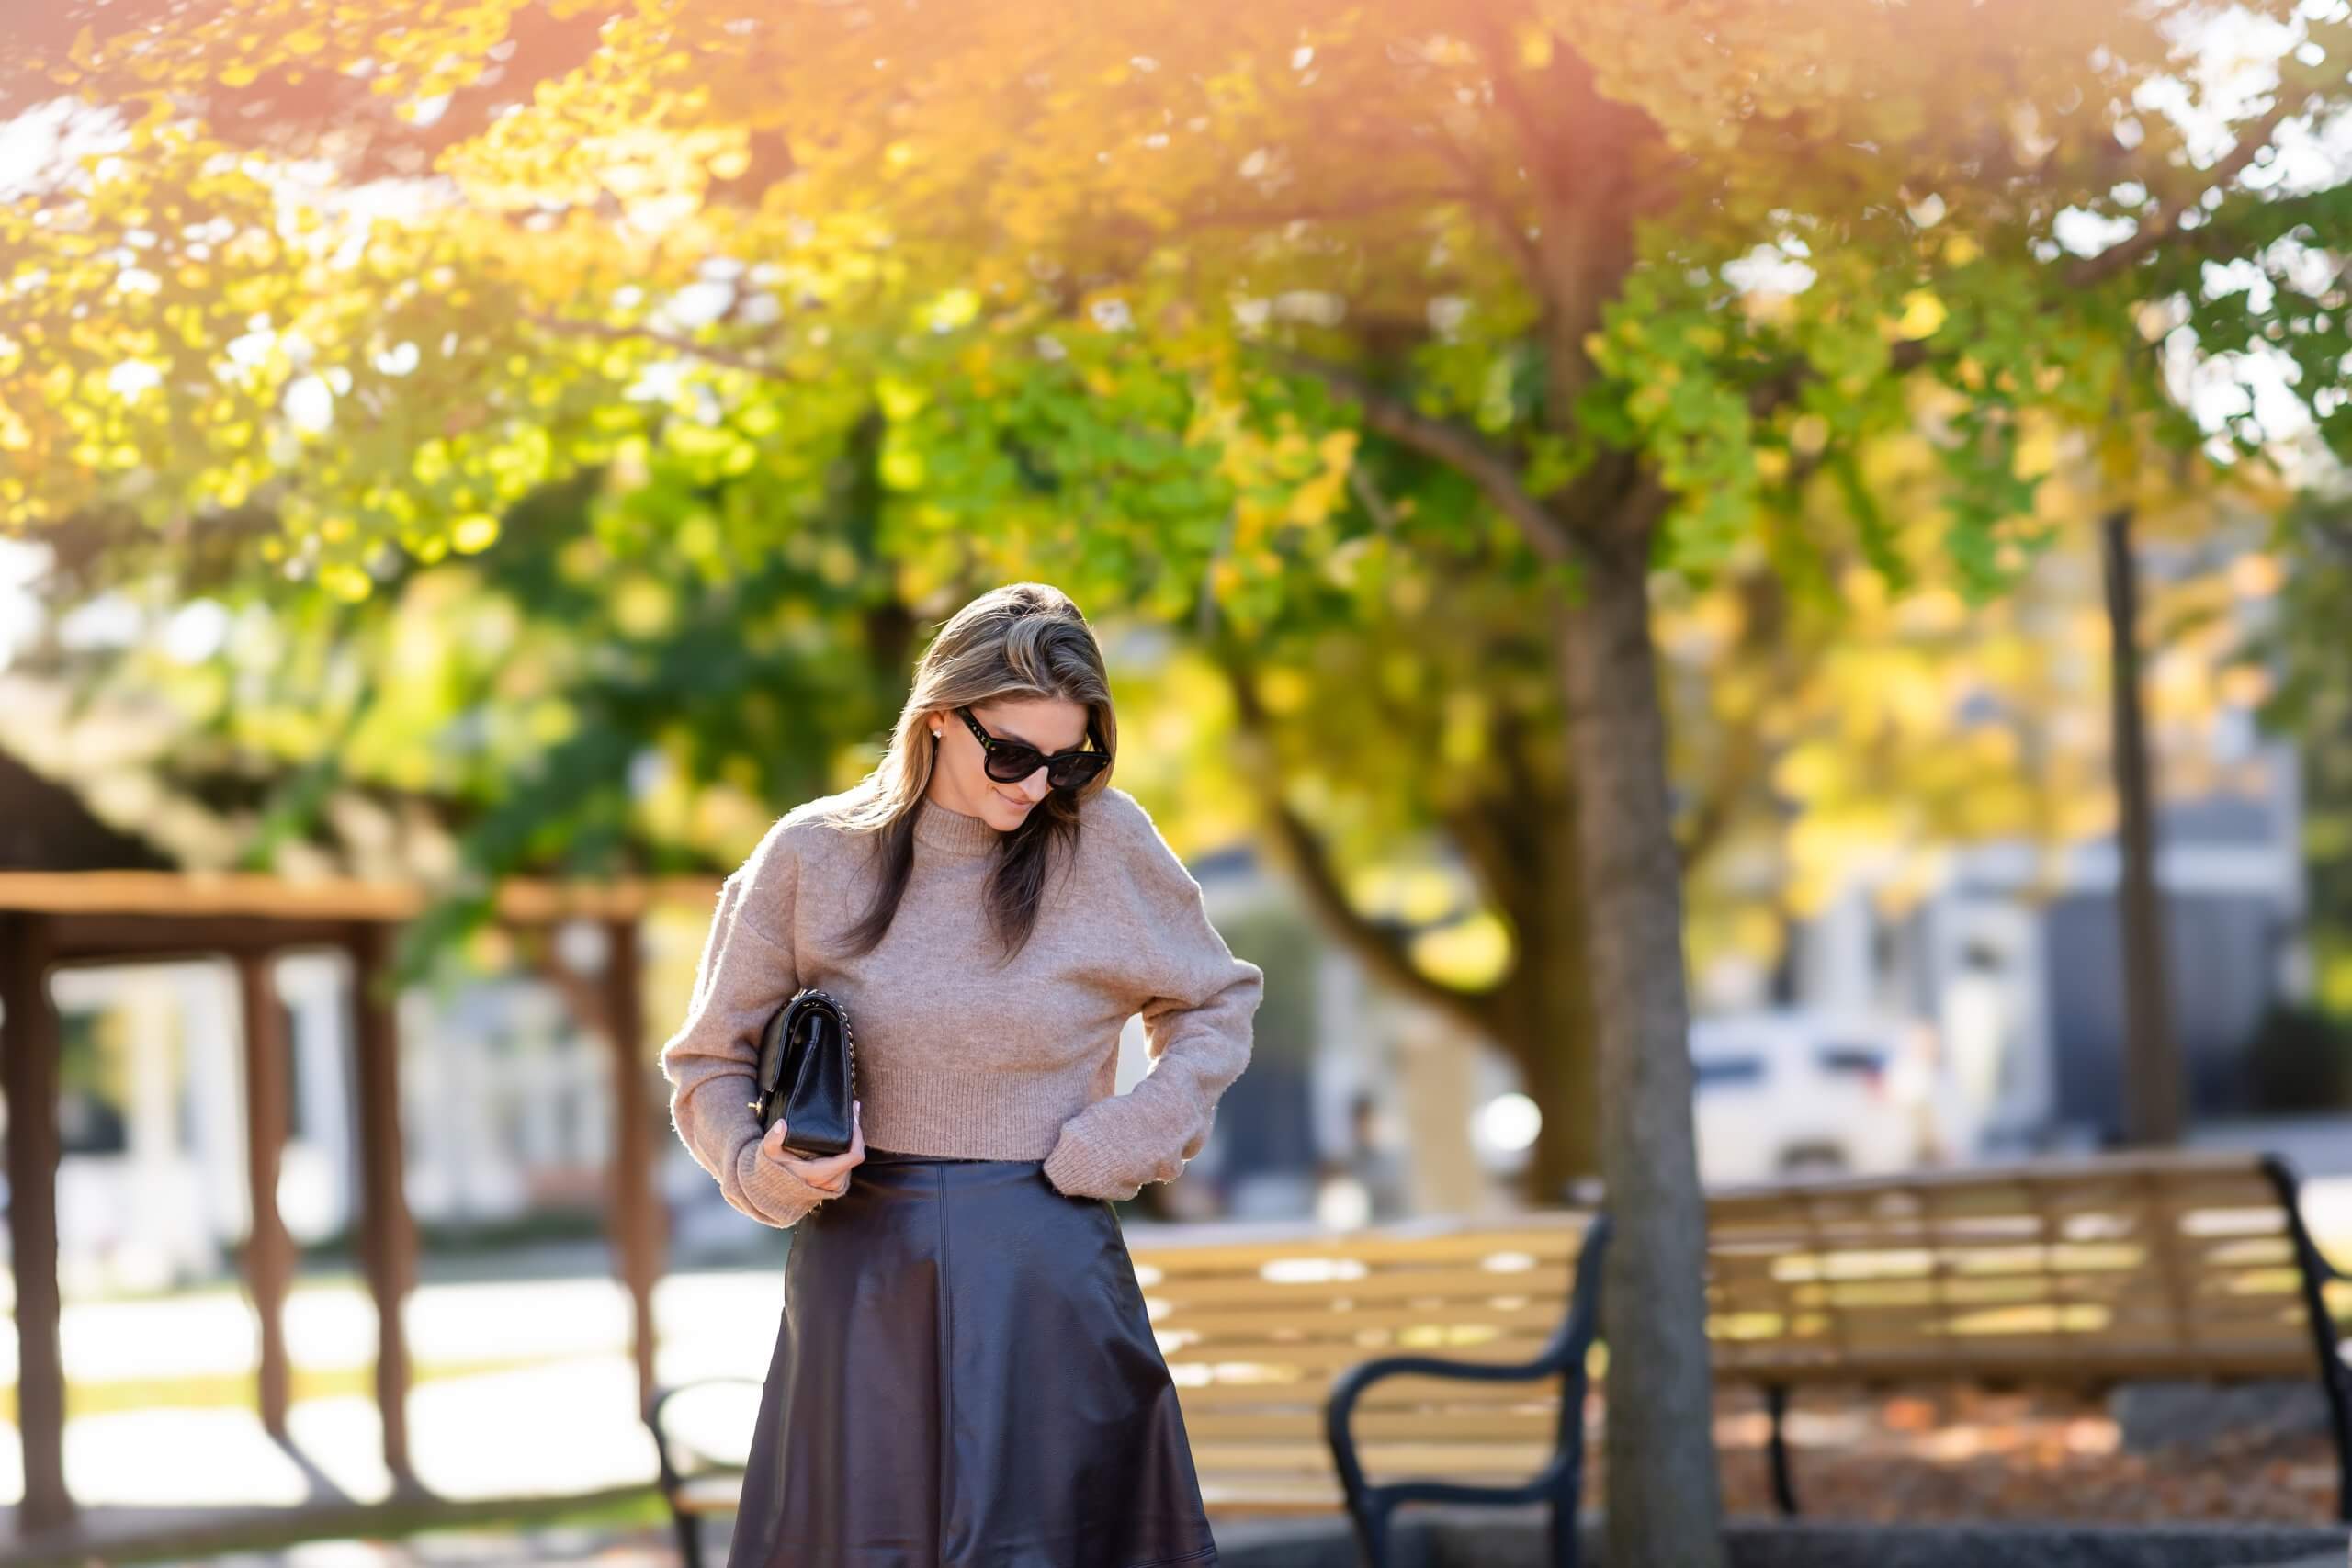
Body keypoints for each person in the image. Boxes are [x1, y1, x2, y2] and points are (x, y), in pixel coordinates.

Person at [659, 581, 1264, 1568]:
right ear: (939, 717)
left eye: (1070, 760)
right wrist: (759, 1169)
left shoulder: (1103, 840)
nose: (1037, 787)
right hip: (862, 1270)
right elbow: (706, 1061)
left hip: (1047, 1261)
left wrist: (1126, 1135)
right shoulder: (813, 854)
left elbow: (1215, 1002)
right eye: (1013, 754)